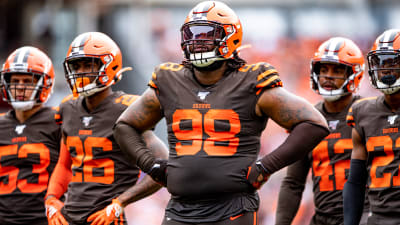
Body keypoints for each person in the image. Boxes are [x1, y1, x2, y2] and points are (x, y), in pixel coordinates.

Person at [113, 1, 330, 225]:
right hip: (179, 208)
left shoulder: (251, 81)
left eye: (207, 34)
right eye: (192, 34)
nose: (197, 41)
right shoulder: (169, 80)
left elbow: (313, 123)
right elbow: (125, 126)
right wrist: (151, 164)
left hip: (232, 209)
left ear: (231, 37)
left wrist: (266, 166)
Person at [44, 32, 168, 225]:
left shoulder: (128, 108)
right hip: (68, 217)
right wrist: (51, 198)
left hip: (105, 220)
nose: (81, 72)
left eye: (88, 65)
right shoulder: (68, 107)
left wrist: (121, 202)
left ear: (109, 66)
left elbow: (164, 166)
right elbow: (64, 164)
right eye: (76, 66)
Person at [275, 37, 369, 225]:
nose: (328, 76)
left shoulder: (368, 113)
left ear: (354, 74)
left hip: (364, 216)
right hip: (322, 218)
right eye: (323, 69)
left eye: (337, 70)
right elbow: (293, 183)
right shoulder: (306, 118)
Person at [343, 29, 400, 225]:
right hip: (379, 219)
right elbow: (356, 181)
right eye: (380, 62)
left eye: (393, 61)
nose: (385, 68)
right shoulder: (362, 112)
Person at [0, 46, 60, 224]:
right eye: (15, 81)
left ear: (45, 84)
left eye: (27, 81)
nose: (19, 87)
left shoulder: (60, 120)